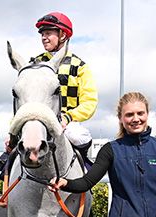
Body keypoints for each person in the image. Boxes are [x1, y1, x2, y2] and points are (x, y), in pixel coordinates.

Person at [8, 12, 98, 166]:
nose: (44, 37)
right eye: (42, 34)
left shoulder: (79, 66)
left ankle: (85, 173)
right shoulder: (33, 65)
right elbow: (22, 99)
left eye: (48, 33)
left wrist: (67, 117)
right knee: (10, 148)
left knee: (78, 136)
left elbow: (89, 102)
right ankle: (5, 175)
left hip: (67, 122)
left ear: (63, 35)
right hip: (35, 120)